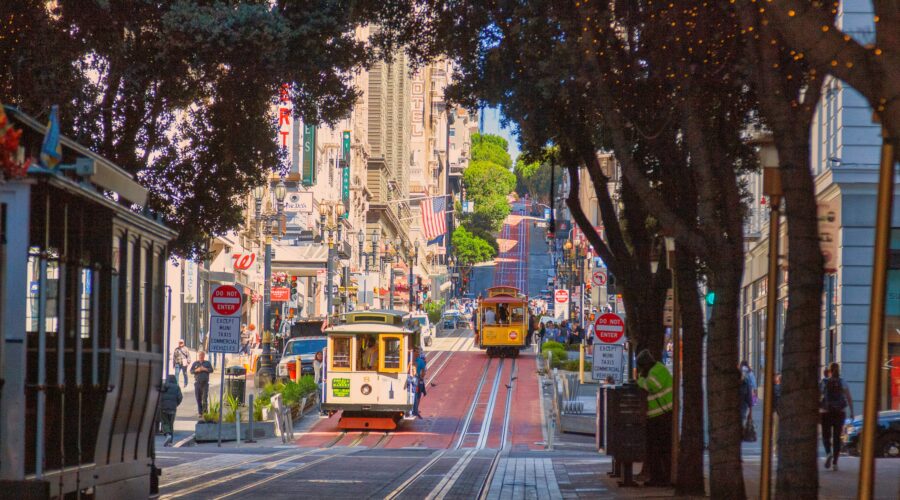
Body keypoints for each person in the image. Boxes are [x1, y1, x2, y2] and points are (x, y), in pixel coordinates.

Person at [636, 349, 673, 487]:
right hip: (656, 416)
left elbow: (652, 386)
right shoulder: (653, 370)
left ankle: (664, 477)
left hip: (663, 415)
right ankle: (657, 477)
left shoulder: (658, 370)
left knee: (662, 448)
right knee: (654, 449)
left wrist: (640, 379)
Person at [821, 362, 854, 471]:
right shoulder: (843, 382)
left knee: (826, 436)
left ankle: (828, 453)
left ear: (829, 371)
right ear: (838, 370)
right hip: (840, 412)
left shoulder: (824, 382)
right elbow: (848, 397)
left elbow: (818, 396)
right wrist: (852, 411)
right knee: (837, 437)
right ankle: (835, 462)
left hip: (826, 412)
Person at [159, 374, 182, 446]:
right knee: (171, 424)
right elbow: (180, 397)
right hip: (173, 408)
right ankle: (170, 441)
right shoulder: (177, 387)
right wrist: (176, 404)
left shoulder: (164, 386)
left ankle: (167, 434)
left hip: (163, 407)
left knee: (165, 422)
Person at [190, 351, 214, 418]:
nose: (201, 356)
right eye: (200, 355)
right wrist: (196, 370)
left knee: (204, 398)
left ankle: (205, 413)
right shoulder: (195, 363)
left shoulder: (207, 363)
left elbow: (211, 370)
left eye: (202, 355)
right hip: (197, 383)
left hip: (205, 384)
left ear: (204, 356)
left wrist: (204, 369)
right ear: (198, 356)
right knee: (198, 398)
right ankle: (200, 413)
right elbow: (191, 371)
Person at [412, 348, 427, 418]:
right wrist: (421, 377)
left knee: (417, 395)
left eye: (418, 352)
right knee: (417, 396)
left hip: (416, 380)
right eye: (416, 352)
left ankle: (415, 409)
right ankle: (415, 410)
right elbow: (424, 371)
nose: (417, 353)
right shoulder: (419, 361)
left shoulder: (417, 361)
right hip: (416, 380)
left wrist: (421, 377)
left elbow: (424, 371)